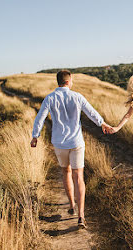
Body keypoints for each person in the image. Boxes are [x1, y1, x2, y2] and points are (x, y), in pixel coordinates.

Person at [30, 70, 112, 229]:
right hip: (76, 143)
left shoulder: (50, 98)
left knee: (66, 172)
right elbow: (91, 112)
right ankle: (81, 215)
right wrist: (102, 123)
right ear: (69, 81)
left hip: (59, 143)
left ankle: (72, 205)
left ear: (58, 81)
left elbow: (40, 117)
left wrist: (35, 136)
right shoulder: (77, 96)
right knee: (78, 177)